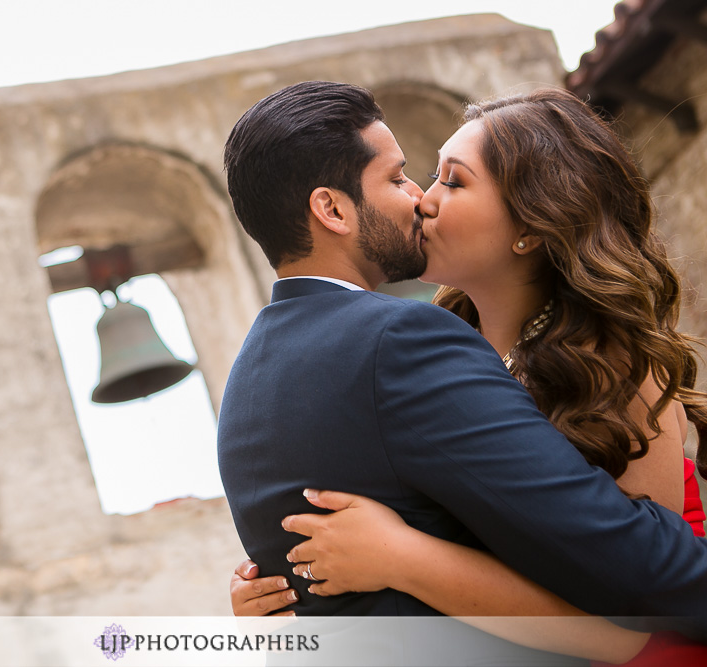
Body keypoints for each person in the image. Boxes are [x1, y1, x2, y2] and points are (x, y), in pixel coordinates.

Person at [217, 81, 707, 663]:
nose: (421, 197)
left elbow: (637, 597)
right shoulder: (417, 348)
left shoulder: (606, 362)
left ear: (531, 224)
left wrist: (403, 557)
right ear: (331, 209)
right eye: (404, 177)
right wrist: (285, 592)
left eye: (451, 181)